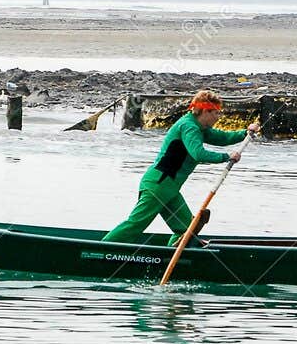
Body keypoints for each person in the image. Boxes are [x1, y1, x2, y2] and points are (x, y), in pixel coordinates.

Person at [103, 90, 251, 244]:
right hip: (158, 185)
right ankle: (99, 251)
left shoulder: (198, 127)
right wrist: (226, 157)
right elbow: (198, 154)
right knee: (136, 225)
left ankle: (171, 256)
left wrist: (245, 133)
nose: (218, 117)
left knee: (187, 230)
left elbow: (221, 137)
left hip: (170, 188)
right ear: (206, 111)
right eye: (216, 113)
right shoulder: (189, 127)